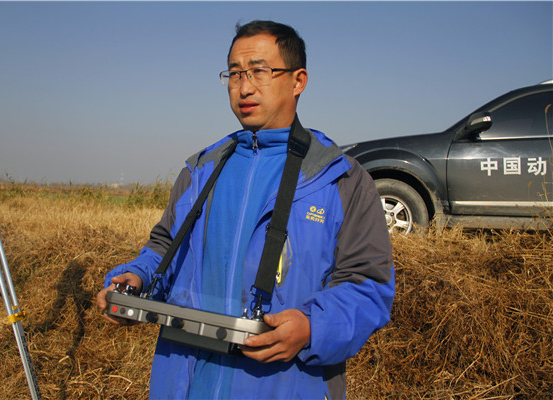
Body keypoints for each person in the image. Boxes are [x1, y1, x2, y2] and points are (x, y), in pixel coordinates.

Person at [96, 20, 395, 399]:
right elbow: (164, 248)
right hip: (185, 384)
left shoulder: (340, 179)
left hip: (283, 385)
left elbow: (368, 286)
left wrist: (311, 327)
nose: (244, 87)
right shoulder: (200, 171)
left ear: (298, 80)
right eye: (235, 73)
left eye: (259, 71)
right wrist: (137, 278)